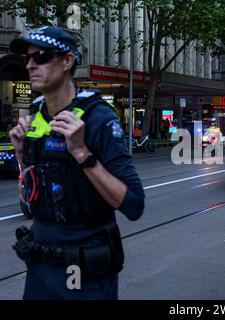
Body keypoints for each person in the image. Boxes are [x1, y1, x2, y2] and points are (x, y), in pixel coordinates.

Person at [8, 26, 145, 300]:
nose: (31, 65)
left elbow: (134, 205)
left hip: (82, 267)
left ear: (67, 61)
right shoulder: (36, 114)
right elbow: (31, 193)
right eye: (27, 59)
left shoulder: (98, 118)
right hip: (40, 261)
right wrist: (21, 155)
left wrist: (82, 152)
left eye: (41, 56)